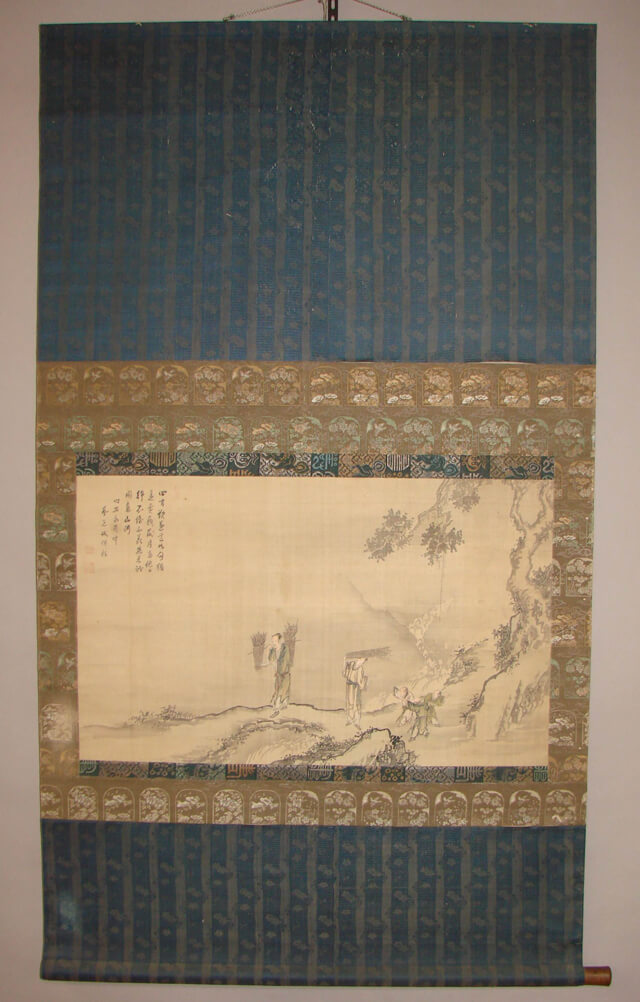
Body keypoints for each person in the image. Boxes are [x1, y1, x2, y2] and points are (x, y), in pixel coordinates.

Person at [267, 632, 292, 716]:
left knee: (282, 691)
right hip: (278, 674)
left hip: (284, 674)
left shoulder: (285, 649)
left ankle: (277, 708)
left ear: (280, 641)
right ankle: (279, 707)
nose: (273, 642)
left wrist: (280, 672)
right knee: (278, 691)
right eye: (272, 641)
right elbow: (271, 659)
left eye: (275, 640)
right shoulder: (274, 650)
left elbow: (286, 661)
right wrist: (270, 650)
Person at [343, 657, 368, 728]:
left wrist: (362, 684)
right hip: (351, 684)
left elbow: (361, 679)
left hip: (356, 686)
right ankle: (350, 719)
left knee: (356, 704)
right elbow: (345, 674)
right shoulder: (350, 665)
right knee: (350, 703)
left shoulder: (360, 668)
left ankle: (356, 721)